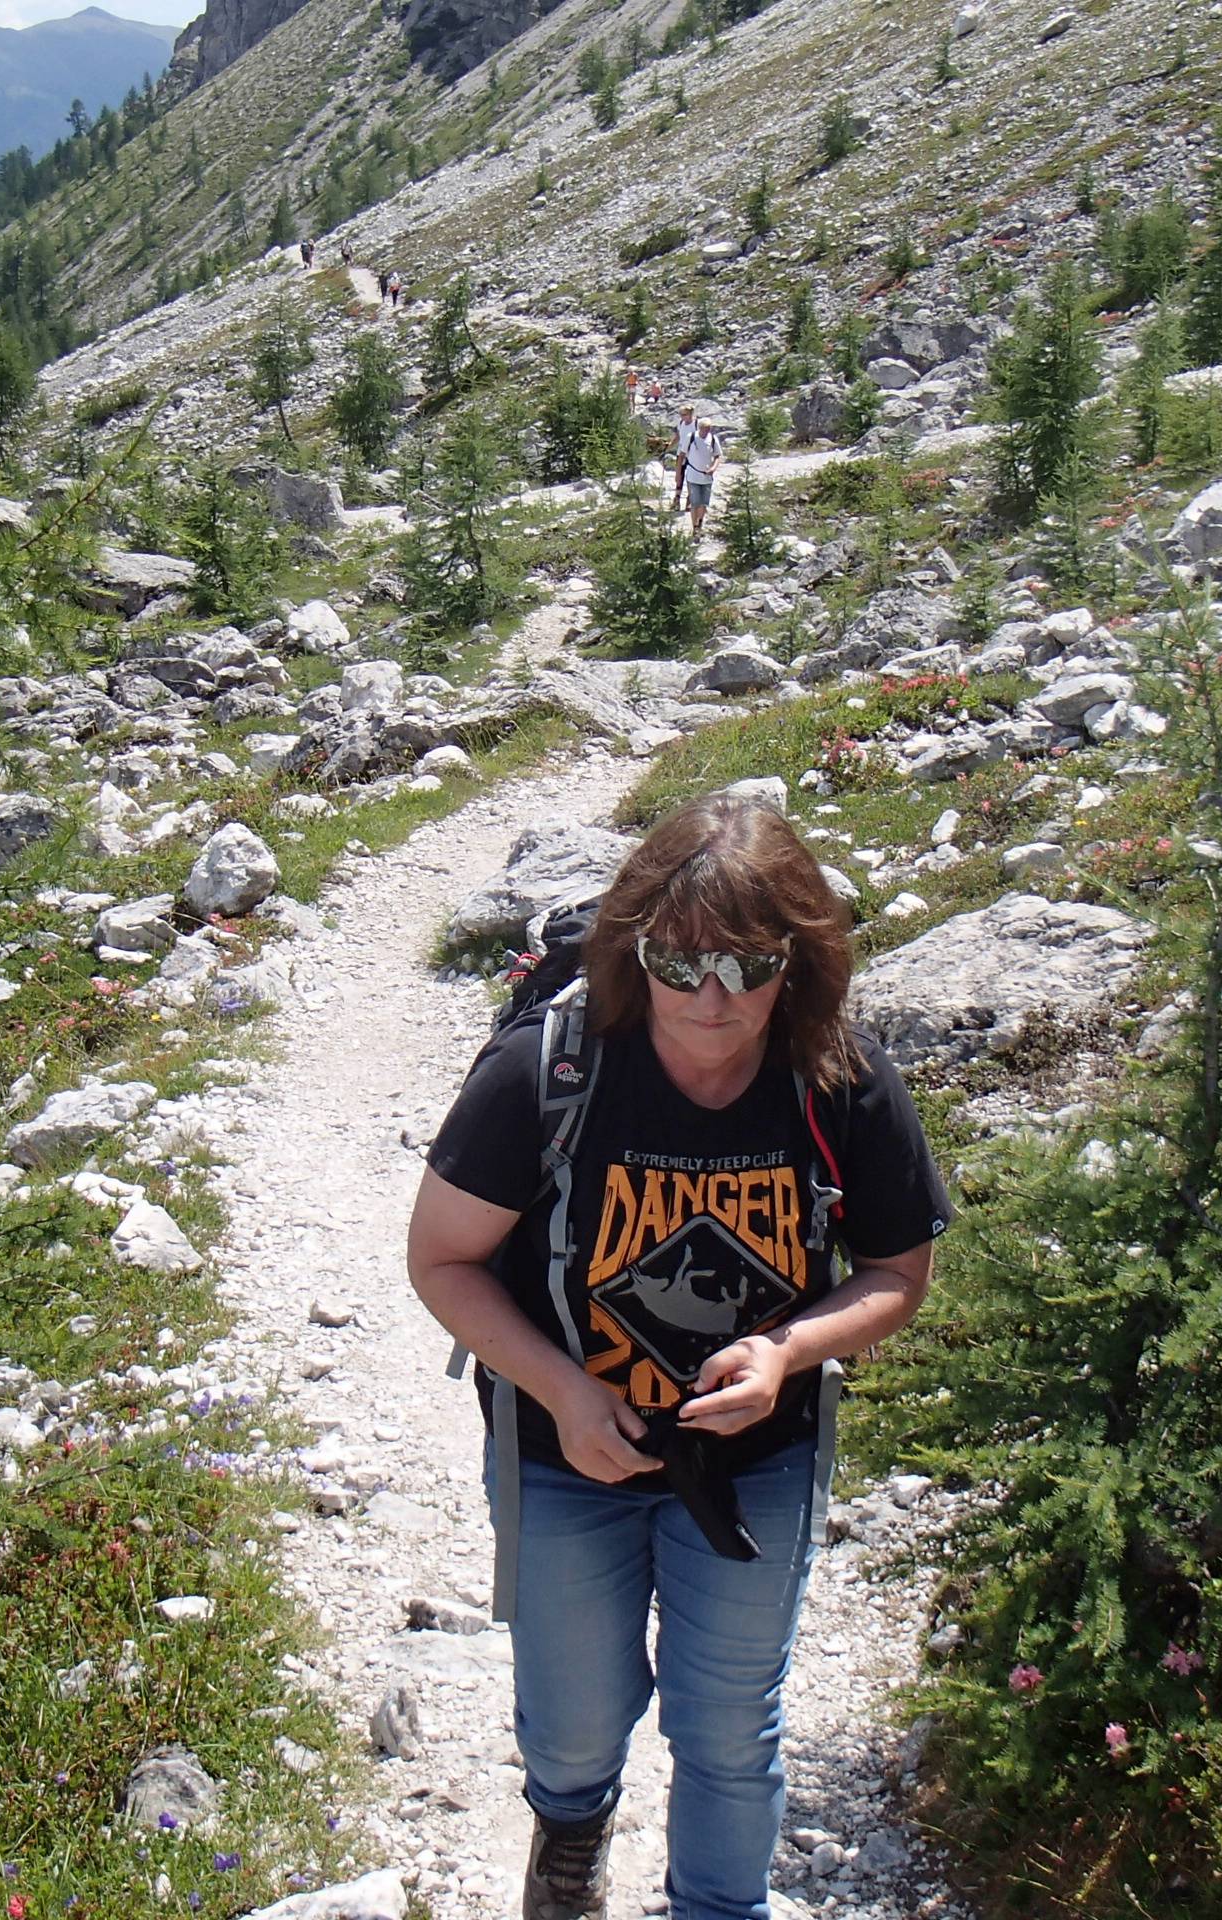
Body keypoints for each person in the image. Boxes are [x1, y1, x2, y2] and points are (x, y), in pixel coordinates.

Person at [406, 796, 953, 1920]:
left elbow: (897, 1272)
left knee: (726, 1725)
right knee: (569, 1716)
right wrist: (564, 1391)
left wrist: (785, 1353)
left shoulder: (835, 1076)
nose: (715, 1001)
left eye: (749, 968)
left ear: (796, 963)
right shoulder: (545, 1077)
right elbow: (442, 1261)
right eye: (679, 962)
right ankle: (570, 1829)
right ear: (633, 951)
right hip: (564, 1453)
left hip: (755, 1459)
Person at [679, 412, 724, 538]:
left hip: (707, 477)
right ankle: (695, 527)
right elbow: (682, 454)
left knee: (703, 503)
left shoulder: (713, 439)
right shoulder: (691, 437)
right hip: (693, 475)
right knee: (695, 503)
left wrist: (713, 468)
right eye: (705, 427)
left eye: (709, 427)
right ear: (700, 428)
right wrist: (679, 473)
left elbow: (717, 456)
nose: (708, 430)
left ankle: (700, 523)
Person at [666, 400, 697, 514]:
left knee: (690, 478)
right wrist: (670, 445)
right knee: (679, 477)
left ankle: (690, 500)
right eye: (681, 414)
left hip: (692, 454)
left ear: (690, 414)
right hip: (681, 453)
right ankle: (677, 500)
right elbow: (678, 436)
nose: (682, 417)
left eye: (684, 414)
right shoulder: (681, 423)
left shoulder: (696, 424)